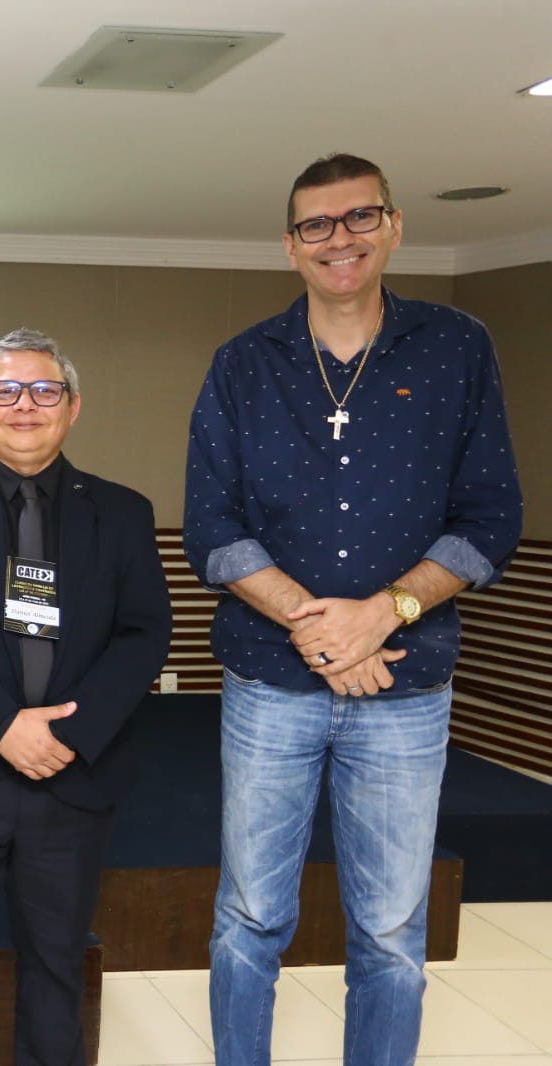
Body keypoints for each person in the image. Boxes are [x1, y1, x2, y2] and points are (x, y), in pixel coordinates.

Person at [185, 152, 522, 1065]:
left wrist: (385, 612)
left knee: (390, 931)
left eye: (359, 217)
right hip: (268, 683)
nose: (339, 239)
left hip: (405, 689)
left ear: (394, 226)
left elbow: (491, 518)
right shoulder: (242, 363)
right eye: (316, 225)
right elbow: (210, 528)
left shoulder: (456, 347)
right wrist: (325, 628)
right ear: (289, 245)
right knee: (248, 917)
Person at [0, 328, 171, 1066]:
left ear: (72, 407)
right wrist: (0, 725)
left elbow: (144, 634)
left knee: (56, 963)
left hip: (71, 777)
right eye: (5, 390)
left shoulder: (123, 511)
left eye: (44, 390)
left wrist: (67, 736)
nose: (25, 405)